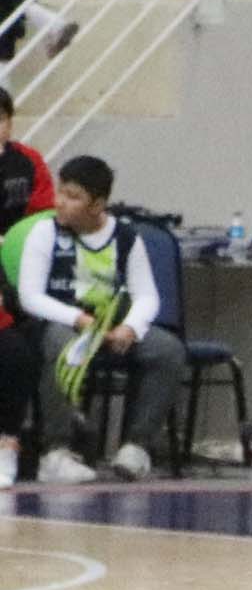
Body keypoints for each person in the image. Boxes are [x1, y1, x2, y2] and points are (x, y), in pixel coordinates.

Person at [12, 153, 185, 486]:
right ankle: (56, 451)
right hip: (62, 325)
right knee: (62, 347)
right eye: (60, 192)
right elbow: (30, 297)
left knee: (168, 350)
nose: (59, 202)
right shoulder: (45, 233)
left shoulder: (126, 238)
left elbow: (147, 295)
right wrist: (77, 319)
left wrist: (130, 327)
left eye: (72, 197)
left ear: (98, 204)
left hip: (110, 329)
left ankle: (136, 447)